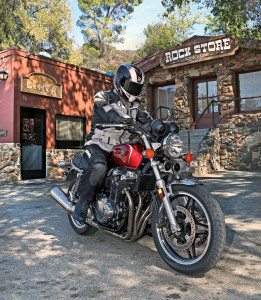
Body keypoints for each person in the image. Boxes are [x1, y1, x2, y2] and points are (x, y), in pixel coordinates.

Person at [73, 64, 154, 223]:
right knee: (99, 167)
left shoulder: (136, 105)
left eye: (137, 87)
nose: (133, 90)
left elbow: (146, 120)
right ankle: (82, 203)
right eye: (131, 86)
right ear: (120, 82)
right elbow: (107, 110)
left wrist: (159, 126)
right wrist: (122, 119)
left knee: (145, 167)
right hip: (99, 144)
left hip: (121, 147)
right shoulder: (104, 96)